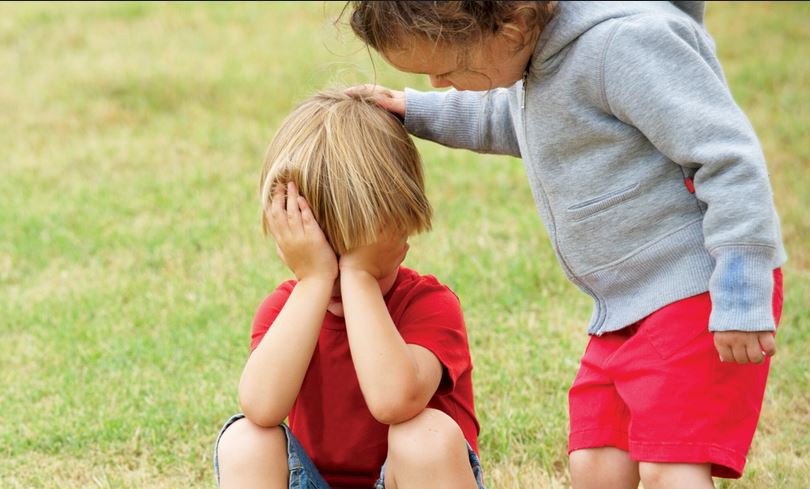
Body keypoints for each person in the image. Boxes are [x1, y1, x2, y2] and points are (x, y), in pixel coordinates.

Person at [345, 1, 786, 488]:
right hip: (623, 307)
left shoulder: (623, 46)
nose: (438, 83)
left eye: (446, 70)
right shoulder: (533, 57)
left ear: (510, 28)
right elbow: (516, 121)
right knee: (595, 466)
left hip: (698, 288)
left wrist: (743, 289)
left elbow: (728, 158)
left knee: (670, 467)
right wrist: (415, 110)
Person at [213, 89, 485, 489]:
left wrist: (360, 277)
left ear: (400, 231)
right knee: (246, 439)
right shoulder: (285, 309)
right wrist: (314, 281)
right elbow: (260, 406)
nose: (337, 274)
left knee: (423, 436)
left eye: (352, 253)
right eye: (320, 255)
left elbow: (394, 400)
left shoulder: (429, 305)